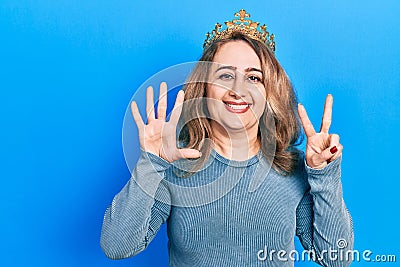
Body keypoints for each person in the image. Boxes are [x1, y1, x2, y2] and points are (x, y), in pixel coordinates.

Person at [100, 9, 354, 266]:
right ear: (204, 87)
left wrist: (324, 174)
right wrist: (151, 163)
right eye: (225, 75)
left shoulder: (294, 168)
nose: (238, 90)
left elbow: (337, 259)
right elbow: (117, 246)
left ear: (269, 92)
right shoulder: (174, 165)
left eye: (253, 77)